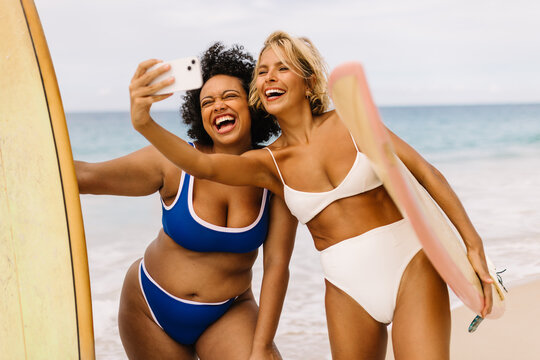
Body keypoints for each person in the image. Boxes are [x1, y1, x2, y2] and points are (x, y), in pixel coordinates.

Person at [131, 32, 495, 360]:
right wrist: (144, 123)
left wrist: (472, 247)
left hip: (408, 265)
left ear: (307, 81)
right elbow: (202, 165)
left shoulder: (352, 122)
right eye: (262, 71)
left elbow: (426, 173)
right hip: (344, 287)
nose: (269, 77)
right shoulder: (269, 163)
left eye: (282, 67)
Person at [76, 43, 297, 360]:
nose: (217, 106)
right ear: (199, 114)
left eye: (229, 96)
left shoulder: (273, 176)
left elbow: (276, 266)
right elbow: (85, 177)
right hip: (150, 308)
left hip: (228, 311)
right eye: (207, 101)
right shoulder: (172, 162)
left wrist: (262, 346)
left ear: (252, 104)